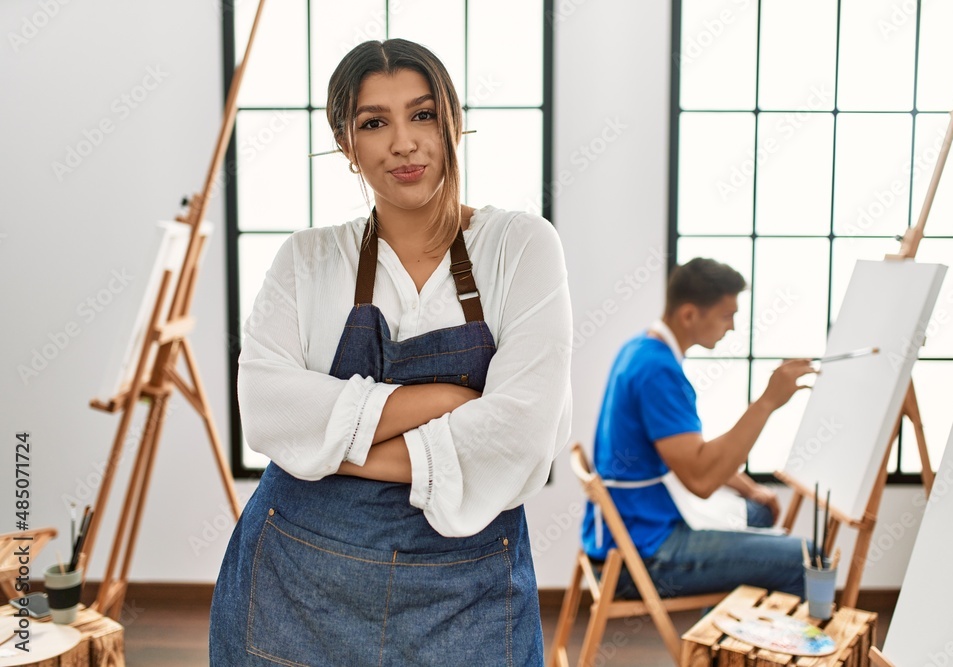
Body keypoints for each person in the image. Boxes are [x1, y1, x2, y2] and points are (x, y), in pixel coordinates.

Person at [209, 39, 572, 666]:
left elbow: (523, 438)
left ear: (454, 122)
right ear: (348, 146)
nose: (403, 142)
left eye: (423, 114)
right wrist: (437, 402)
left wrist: (332, 450)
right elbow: (265, 409)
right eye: (374, 123)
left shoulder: (521, 247)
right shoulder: (306, 259)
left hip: (466, 584)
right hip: (299, 580)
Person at [580, 257, 815, 599]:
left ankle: (713, 647)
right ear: (689, 314)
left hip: (627, 531)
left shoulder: (640, 349)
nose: (732, 326)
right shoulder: (657, 372)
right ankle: (725, 647)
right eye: (726, 315)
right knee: (808, 559)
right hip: (642, 555)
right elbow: (702, 480)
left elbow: (687, 451)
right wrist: (767, 403)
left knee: (759, 512)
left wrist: (749, 488)